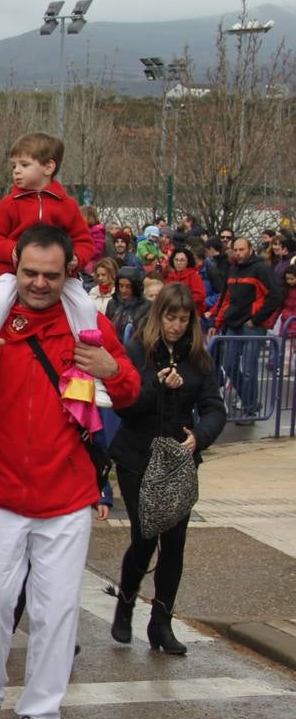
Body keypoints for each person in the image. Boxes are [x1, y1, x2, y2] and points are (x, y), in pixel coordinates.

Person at [0, 225, 139, 719]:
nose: (40, 284)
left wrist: (113, 370)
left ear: (69, 271)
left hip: (66, 495)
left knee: (57, 611)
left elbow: (131, 388)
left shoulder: (86, 322)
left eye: (51, 274)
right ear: (12, 269)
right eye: (30, 273)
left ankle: (41, 716)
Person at [108, 284, 225, 655]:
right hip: (137, 455)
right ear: (159, 315)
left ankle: (161, 622)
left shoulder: (198, 358)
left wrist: (199, 437)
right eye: (170, 317)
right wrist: (156, 386)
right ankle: (125, 605)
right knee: (144, 537)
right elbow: (124, 405)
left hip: (177, 458)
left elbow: (214, 408)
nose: (176, 326)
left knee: (174, 543)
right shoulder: (138, 349)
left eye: (183, 318)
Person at [0, 133, 103, 406]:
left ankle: (94, 375)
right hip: (13, 273)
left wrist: (76, 258)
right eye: (14, 165)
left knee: (85, 306)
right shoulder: (10, 203)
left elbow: (84, 241)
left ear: (48, 167)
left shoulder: (67, 205)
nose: (16, 171)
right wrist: (11, 251)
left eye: (24, 165)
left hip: (60, 276)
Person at [208, 237, 280, 423]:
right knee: (229, 364)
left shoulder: (261, 268)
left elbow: (275, 296)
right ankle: (250, 400)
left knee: (249, 368)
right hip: (233, 323)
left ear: (250, 249)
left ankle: (250, 409)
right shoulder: (232, 270)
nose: (238, 253)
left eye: (241, 249)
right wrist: (217, 323)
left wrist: (256, 319)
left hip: (252, 325)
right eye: (236, 249)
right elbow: (225, 299)